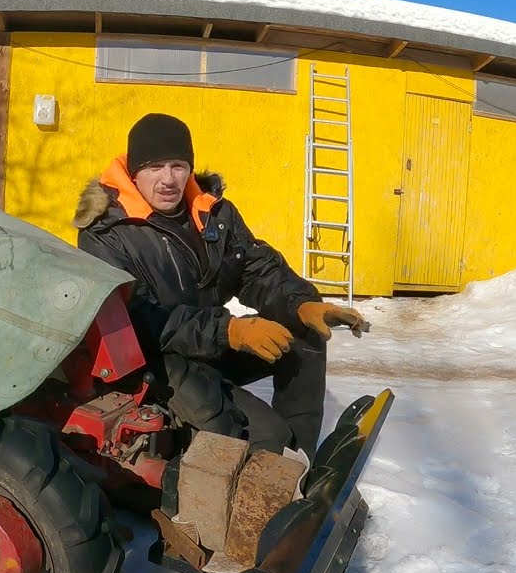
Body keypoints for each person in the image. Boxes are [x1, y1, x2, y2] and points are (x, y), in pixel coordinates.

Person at [73, 113, 367, 457]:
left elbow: (254, 268)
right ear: (134, 172)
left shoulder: (211, 211)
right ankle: (270, 463)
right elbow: (144, 318)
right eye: (155, 167)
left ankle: (300, 461)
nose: (168, 179)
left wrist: (302, 303)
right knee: (267, 435)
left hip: (210, 341)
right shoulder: (107, 232)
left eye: (178, 166)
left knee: (305, 333)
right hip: (157, 360)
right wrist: (232, 331)